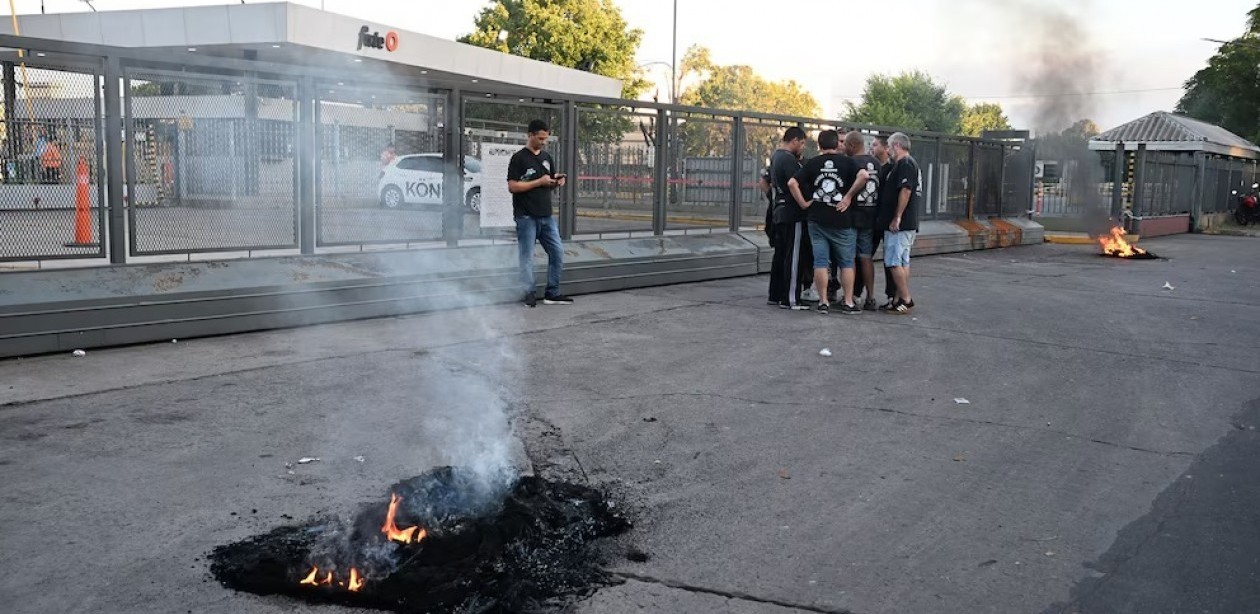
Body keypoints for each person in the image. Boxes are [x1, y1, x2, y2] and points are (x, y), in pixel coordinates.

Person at [787, 129, 868, 314]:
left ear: (819, 145)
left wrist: (804, 203)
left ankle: (823, 302)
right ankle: (848, 302)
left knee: (821, 262)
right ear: (837, 144)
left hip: (817, 219)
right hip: (842, 219)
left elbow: (792, 183)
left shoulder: (812, 163)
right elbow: (864, 176)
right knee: (847, 262)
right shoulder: (848, 162)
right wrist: (847, 197)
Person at [508, 119, 572, 308]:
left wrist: (556, 182)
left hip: (546, 215)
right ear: (530, 135)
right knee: (527, 256)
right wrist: (538, 182)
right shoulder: (519, 158)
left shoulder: (546, 157)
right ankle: (529, 293)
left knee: (557, 252)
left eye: (546, 139)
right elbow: (512, 186)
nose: (543, 142)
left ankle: (552, 292)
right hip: (526, 216)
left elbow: (548, 182)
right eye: (540, 138)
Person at [878, 132, 921, 314]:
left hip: (900, 224)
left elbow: (905, 190)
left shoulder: (905, 164)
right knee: (902, 261)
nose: (888, 150)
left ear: (897, 145)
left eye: (889, 145)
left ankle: (906, 298)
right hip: (907, 223)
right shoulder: (909, 164)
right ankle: (898, 299)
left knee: (893, 261)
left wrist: (897, 216)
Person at [768, 127, 810, 310]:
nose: (802, 147)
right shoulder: (788, 159)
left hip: (779, 211)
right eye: (801, 143)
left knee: (780, 255)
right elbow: (795, 184)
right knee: (793, 257)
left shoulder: (776, 157)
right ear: (794, 140)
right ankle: (791, 298)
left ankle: (775, 294)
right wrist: (804, 203)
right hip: (793, 214)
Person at [845, 131, 882, 311]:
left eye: (846, 144)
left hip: (853, 217)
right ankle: (871, 296)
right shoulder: (876, 163)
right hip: (871, 216)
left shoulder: (850, 163)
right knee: (866, 258)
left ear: (852, 145)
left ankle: (850, 296)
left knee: (849, 258)